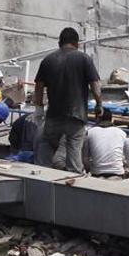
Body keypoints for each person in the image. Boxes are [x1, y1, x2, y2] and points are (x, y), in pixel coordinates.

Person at [33, 27, 103, 172]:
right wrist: (99, 104)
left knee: (46, 148)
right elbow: (95, 84)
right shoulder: (84, 59)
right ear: (77, 44)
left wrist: (39, 109)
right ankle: (72, 183)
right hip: (75, 117)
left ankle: (43, 178)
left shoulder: (48, 60)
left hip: (53, 116)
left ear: (60, 43)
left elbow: (38, 86)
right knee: (74, 155)